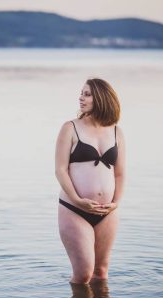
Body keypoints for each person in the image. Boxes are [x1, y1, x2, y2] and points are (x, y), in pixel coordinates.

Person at [55, 78, 125, 284]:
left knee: (101, 273)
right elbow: (60, 170)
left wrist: (116, 203)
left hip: (107, 211)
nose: (81, 98)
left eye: (87, 94)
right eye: (81, 93)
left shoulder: (116, 132)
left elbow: (120, 174)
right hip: (74, 208)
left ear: (102, 98)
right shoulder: (70, 128)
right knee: (84, 273)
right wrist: (77, 200)